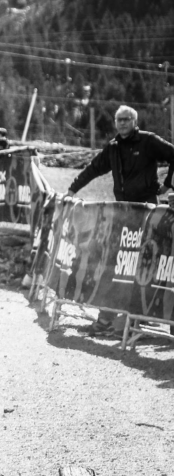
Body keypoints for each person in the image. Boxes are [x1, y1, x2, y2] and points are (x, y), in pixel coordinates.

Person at [66, 104, 174, 335]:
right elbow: (94, 168)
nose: (122, 123)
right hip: (122, 215)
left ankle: (137, 321)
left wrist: (167, 184)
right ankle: (108, 319)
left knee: (144, 268)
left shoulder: (148, 141)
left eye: (127, 119)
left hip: (147, 216)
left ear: (135, 122)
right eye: (119, 119)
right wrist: (72, 190)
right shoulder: (113, 147)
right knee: (114, 264)